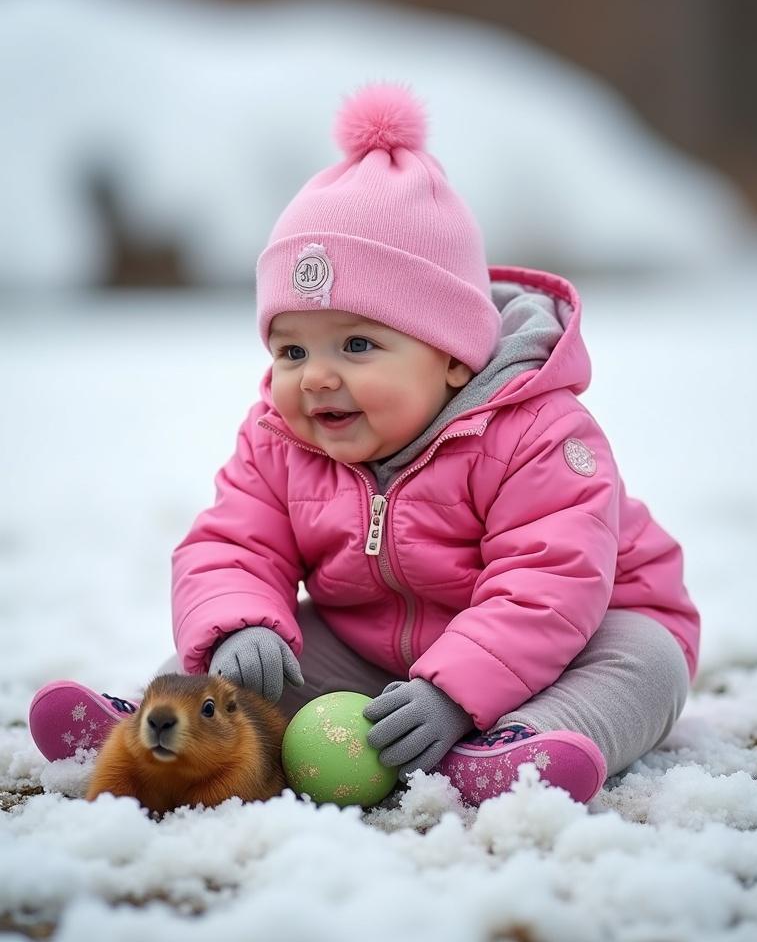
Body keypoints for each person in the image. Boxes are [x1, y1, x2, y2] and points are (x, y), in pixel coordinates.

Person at [29, 83, 699, 806]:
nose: (315, 378)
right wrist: (239, 624)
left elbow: (550, 584)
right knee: (257, 657)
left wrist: (454, 692)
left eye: (355, 344)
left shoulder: (537, 434)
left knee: (645, 663)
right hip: (373, 652)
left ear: (452, 355)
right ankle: (172, 732)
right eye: (290, 351)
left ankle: (516, 750)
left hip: (573, 637)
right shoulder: (278, 440)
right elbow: (231, 544)